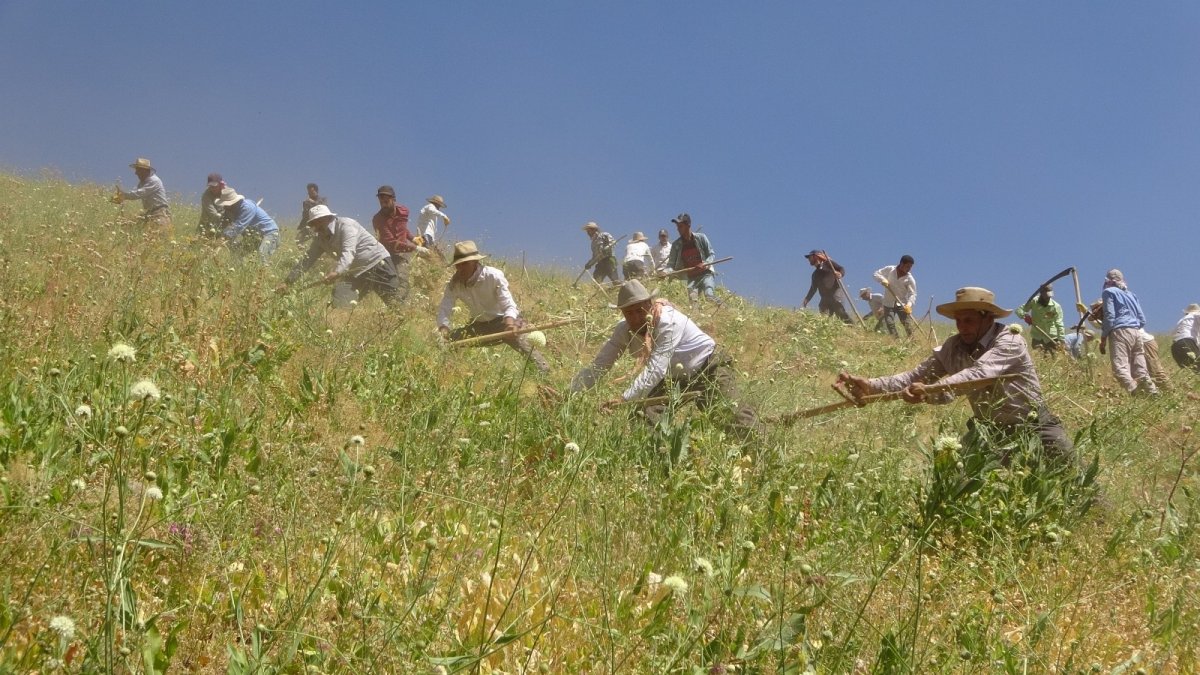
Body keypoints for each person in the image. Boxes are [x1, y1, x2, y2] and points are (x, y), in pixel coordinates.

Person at [838, 286, 1074, 464]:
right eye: (958, 321)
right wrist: (871, 386)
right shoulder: (953, 347)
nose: (962, 327)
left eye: (969, 320)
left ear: (988, 318)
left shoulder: (1010, 340)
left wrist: (927, 392)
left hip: (1034, 424)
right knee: (958, 481)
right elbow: (914, 377)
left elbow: (978, 375)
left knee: (1077, 482)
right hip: (990, 429)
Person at [571, 280, 761, 437]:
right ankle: (658, 465)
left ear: (650, 304)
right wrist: (572, 395)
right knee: (644, 415)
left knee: (732, 416)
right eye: (629, 313)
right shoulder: (623, 331)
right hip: (674, 378)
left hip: (708, 367)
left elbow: (656, 368)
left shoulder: (668, 322)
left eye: (640, 310)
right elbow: (599, 365)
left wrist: (624, 398)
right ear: (622, 313)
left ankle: (765, 453)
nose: (636, 317)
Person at [437, 241, 549, 374]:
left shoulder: (493, 276)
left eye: (465, 263)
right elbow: (445, 307)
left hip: (504, 322)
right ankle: (449, 372)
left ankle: (544, 373)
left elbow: (508, 304)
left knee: (524, 345)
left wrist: (509, 324)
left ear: (474, 262)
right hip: (479, 326)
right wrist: (444, 329)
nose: (460, 268)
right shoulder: (454, 284)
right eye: (458, 265)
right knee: (449, 341)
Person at [280, 204, 403, 308]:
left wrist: (336, 272)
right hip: (355, 272)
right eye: (314, 224)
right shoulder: (319, 240)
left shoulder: (346, 225)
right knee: (340, 300)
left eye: (319, 222)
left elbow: (348, 252)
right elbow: (306, 261)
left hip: (378, 263)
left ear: (328, 218)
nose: (317, 228)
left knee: (395, 305)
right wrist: (288, 282)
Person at [1098, 269, 1158, 395]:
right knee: (1140, 368)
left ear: (1108, 280)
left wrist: (1103, 337)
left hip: (1120, 331)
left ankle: (1136, 393)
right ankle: (1152, 392)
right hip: (1136, 332)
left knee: (1120, 368)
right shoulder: (1131, 295)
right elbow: (1142, 319)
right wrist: (1133, 326)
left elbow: (1109, 316)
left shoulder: (1108, 292)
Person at [372, 185, 427, 304]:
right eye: (381, 202)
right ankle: (395, 307)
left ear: (393, 199)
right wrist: (416, 248)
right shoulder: (378, 219)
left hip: (403, 252)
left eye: (386, 201)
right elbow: (390, 242)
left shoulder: (403, 211)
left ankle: (402, 307)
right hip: (387, 254)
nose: (384, 204)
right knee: (390, 282)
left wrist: (413, 238)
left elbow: (402, 229)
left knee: (403, 280)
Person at [666, 213, 723, 307]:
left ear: (688, 225)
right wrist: (665, 272)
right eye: (677, 226)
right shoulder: (676, 245)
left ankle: (724, 309)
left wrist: (704, 263)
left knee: (709, 296)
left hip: (705, 274)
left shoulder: (701, 238)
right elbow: (670, 265)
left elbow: (711, 254)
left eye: (680, 226)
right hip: (691, 278)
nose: (678, 229)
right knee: (693, 303)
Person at [217, 187, 280, 262]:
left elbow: (238, 226)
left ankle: (265, 273)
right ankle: (239, 271)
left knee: (262, 254)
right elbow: (224, 224)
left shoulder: (247, 207)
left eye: (226, 205)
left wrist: (223, 238)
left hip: (270, 233)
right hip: (254, 235)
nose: (224, 206)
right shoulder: (230, 210)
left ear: (233, 203)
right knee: (237, 252)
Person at [116, 158, 171, 227]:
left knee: (158, 235)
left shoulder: (154, 181)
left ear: (144, 170)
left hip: (160, 214)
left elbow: (139, 193)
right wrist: (122, 198)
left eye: (138, 170)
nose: (136, 173)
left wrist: (124, 195)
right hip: (150, 214)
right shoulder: (142, 183)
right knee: (131, 227)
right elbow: (136, 193)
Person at [873, 255, 918, 337]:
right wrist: (883, 280)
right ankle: (896, 339)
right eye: (907, 266)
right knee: (889, 323)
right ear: (901, 264)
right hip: (888, 303)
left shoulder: (910, 279)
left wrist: (909, 305)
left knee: (907, 324)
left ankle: (913, 341)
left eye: (910, 267)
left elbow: (913, 294)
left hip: (902, 304)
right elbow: (876, 274)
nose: (909, 269)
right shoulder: (890, 269)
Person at [802, 250, 851, 324]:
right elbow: (813, 288)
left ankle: (851, 326)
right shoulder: (815, 274)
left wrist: (840, 274)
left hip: (835, 292)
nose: (808, 259)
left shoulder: (828, 263)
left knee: (839, 311)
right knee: (823, 312)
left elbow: (841, 268)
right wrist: (807, 299)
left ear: (816, 256)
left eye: (810, 257)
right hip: (825, 297)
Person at [1017, 285, 1066, 353]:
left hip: (1052, 337)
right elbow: (1019, 310)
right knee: (1040, 358)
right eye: (1046, 296)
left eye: (1049, 296)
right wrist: (1025, 316)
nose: (1047, 298)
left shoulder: (1056, 306)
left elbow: (1059, 324)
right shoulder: (1034, 301)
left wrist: (1061, 340)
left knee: (1055, 358)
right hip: (1037, 337)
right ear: (1041, 294)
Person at [1170, 303, 1200, 372]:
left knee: (1190, 372)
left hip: (1175, 347)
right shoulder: (1195, 315)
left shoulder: (1181, 320)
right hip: (1187, 343)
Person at [197, 173, 225, 237]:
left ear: (220, 184)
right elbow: (213, 213)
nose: (213, 188)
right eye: (211, 186)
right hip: (206, 225)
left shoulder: (227, 193)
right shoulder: (206, 196)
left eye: (215, 186)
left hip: (223, 226)